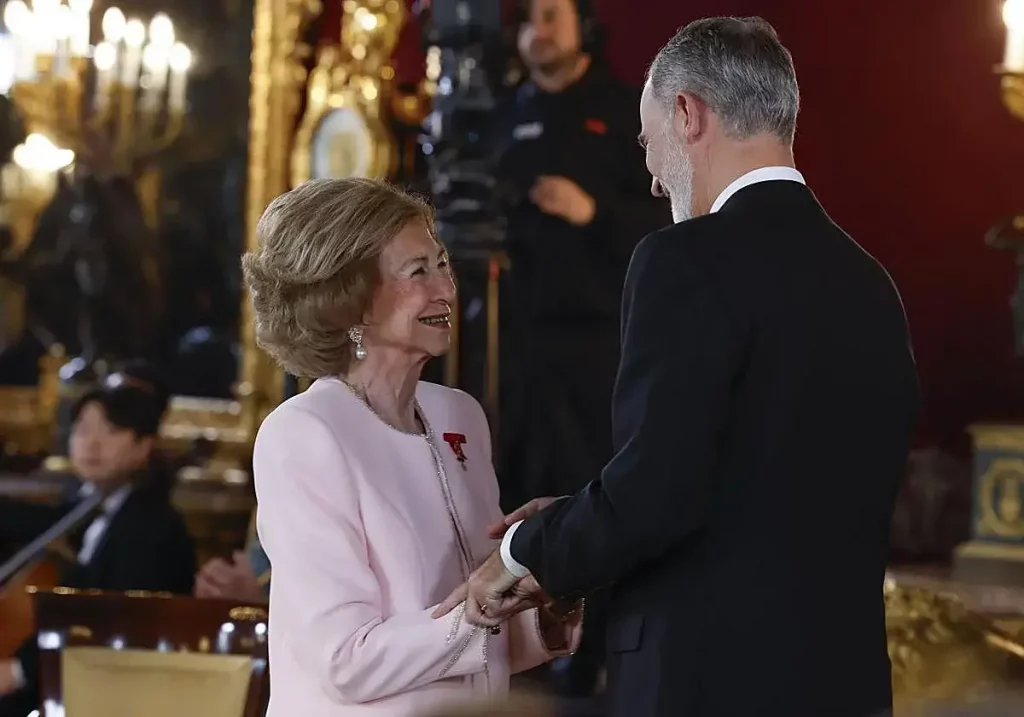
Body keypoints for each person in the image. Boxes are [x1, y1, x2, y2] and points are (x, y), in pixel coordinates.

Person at [438, 16, 920, 717]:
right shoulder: (872, 283)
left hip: (707, 683)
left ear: (689, 114)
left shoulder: (681, 261)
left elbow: (656, 493)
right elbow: (760, 477)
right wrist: (582, 510)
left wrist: (522, 550)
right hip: (845, 684)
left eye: (647, 140)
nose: (655, 179)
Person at [242, 177, 583, 717]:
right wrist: (476, 614)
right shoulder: (305, 432)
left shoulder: (460, 416)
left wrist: (549, 587)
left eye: (442, 264)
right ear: (349, 300)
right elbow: (346, 659)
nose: (445, 289)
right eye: (416, 271)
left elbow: (477, 642)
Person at [495, 0, 670, 694]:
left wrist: (590, 210)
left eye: (551, 14)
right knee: (507, 492)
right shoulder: (498, 119)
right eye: (527, 17)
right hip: (509, 347)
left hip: (597, 346)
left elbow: (669, 218)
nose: (538, 29)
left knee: (583, 490)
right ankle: (514, 649)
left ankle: (588, 658)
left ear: (583, 27)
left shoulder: (628, 111)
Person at [0, 361, 196, 717]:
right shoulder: (92, 501)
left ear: (143, 445)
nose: (91, 442)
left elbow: (114, 623)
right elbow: (35, 521)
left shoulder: (149, 527)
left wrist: (18, 671)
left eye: (110, 430)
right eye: (82, 429)